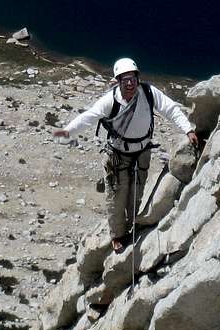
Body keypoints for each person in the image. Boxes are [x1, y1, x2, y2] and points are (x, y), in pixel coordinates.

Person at [54, 57, 198, 253]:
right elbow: (88, 117)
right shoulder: (109, 101)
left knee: (136, 195)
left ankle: (131, 227)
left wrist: (188, 129)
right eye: (125, 80)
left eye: (132, 79)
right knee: (115, 197)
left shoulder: (148, 93)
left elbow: (171, 109)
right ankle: (117, 235)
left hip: (141, 153)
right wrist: (67, 131)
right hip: (117, 154)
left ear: (137, 78)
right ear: (118, 81)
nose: (130, 83)